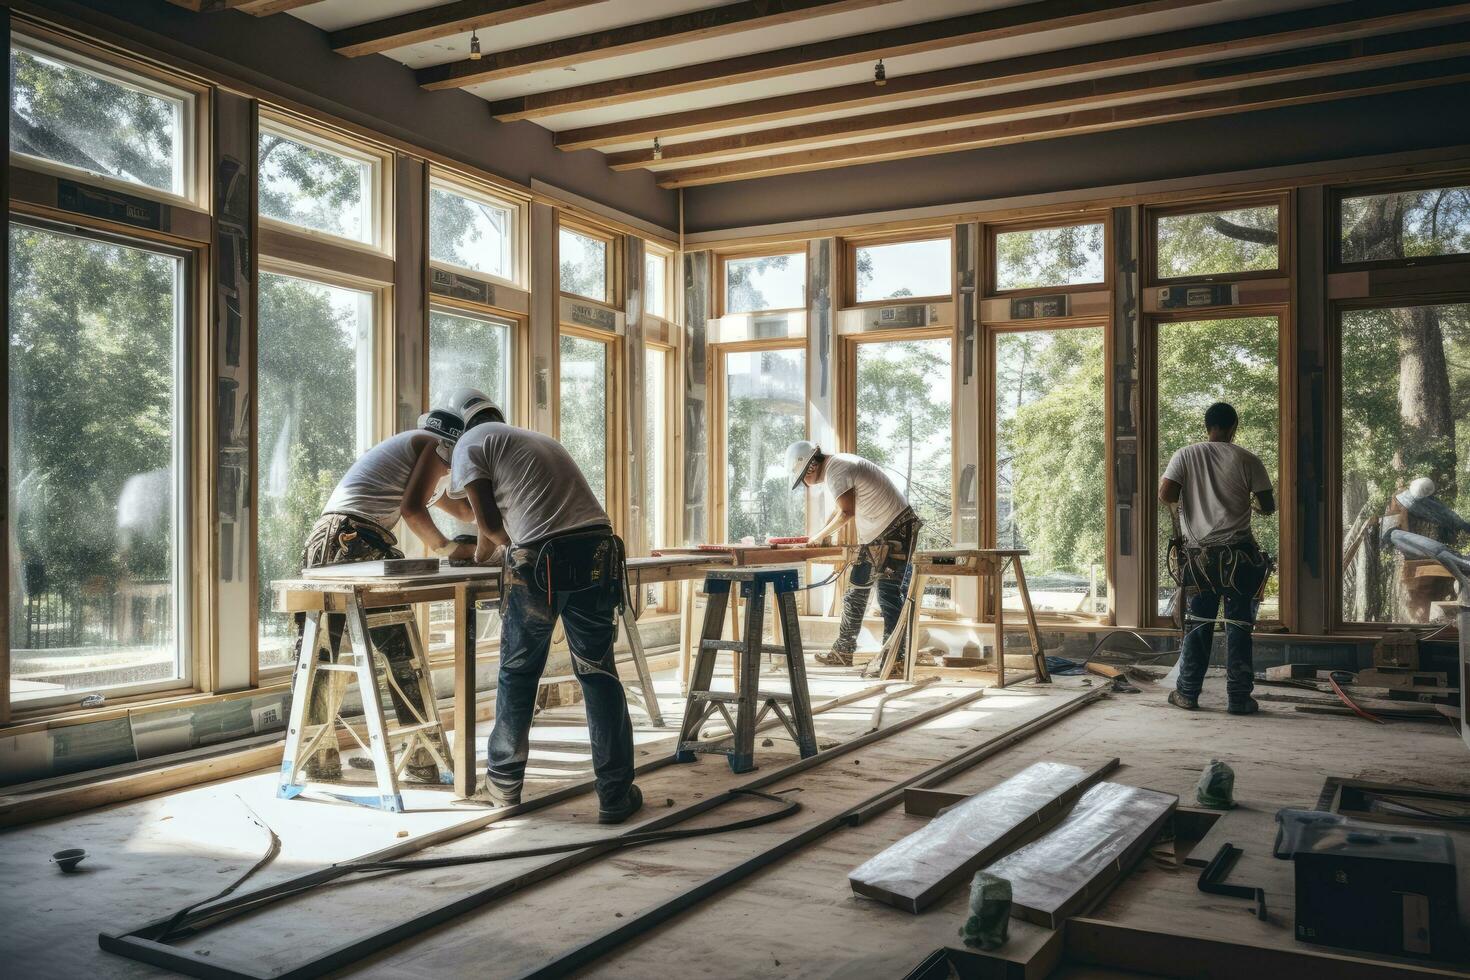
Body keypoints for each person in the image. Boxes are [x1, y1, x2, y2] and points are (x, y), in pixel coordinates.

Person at [449, 411, 642, 825]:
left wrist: (499, 551)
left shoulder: (468, 443)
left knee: (518, 672)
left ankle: (502, 786)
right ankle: (615, 794)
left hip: (544, 560)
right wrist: (491, 550)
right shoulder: (529, 440)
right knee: (597, 672)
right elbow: (499, 524)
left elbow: (489, 524)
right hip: (596, 549)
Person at [295, 388, 489, 781]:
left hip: (349, 538)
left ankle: (408, 757)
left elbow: (466, 512)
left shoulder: (422, 458)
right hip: (347, 537)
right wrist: (447, 547)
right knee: (358, 650)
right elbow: (411, 511)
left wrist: (494, 511)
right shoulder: (431, 446)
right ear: (454, 443)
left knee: (368, 647)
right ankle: (407, 757)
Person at [1158, 401, 1275, 715]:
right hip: (1240, 557)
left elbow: (1166, 494)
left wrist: (1186, 508)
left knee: (1198, 625)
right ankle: (1238, 698)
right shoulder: (1248, 459)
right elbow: (1268, 506)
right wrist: (1247, 502)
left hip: (1199, 559)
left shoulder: (1184, 455)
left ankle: (1187, 693)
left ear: (1206, 425)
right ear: (1234, 427)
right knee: (1238, 626)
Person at [786, 441, 922, 668]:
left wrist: (818, 538)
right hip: (884, 532)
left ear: (810, 467)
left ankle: (895, 660)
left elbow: (847, 512)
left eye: (803, 480)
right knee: (856, 591)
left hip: (894, 530)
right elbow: (840, 509)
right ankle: (843, 652)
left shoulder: (837, 469)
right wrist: (821, 535)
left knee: (888, 595)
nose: (806, 485)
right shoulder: (837, 465)